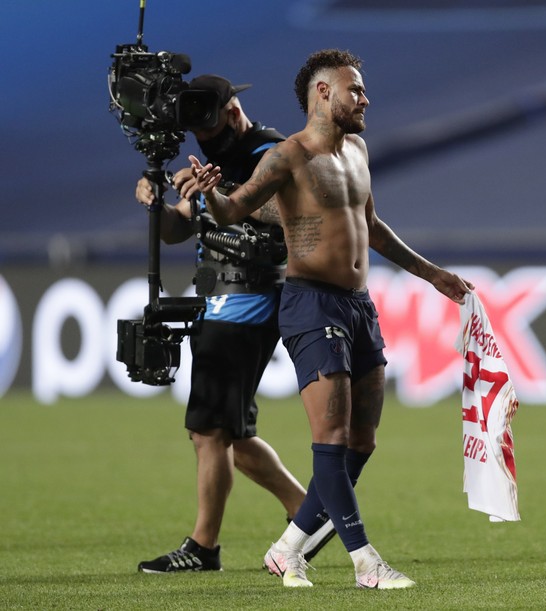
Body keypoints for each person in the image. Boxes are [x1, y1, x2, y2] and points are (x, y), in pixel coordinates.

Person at [186, 49, 474, 589]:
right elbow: (236, 208)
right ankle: (366, 563)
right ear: (324, 93)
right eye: (356, 89)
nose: (364, 98)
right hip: (311, 303)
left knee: (362, 442)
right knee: (333, 438)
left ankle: (289, 547)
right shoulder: (287, 157)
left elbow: (371, 225)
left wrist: (431, 273)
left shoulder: (358, 150)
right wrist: (210, 193)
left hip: (358, 306)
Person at [133, 74, 335, 573]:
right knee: (230, 434)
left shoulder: (272, 149)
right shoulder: (211, 160)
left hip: (251, 292)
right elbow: (181, 228)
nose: (203, 137)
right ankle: (311, 513)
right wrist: (159, 202)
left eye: (210, 123)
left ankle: (204, 548)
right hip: (219, 294)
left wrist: (216, 186)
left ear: (232, 109)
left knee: (208, 428)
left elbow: (290, 214)